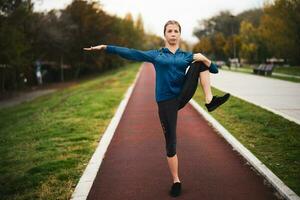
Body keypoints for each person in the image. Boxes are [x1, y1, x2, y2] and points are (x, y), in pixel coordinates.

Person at [83, 20, 230, 198]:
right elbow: (132, 53)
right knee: (171, 142)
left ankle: (210, 100)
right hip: (166, 102)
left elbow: (213, 69)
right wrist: (106, 47)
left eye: (176, 31)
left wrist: (204, 58)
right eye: (170, 31)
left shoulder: (186, 55)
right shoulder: (157, 55)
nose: (173, 33)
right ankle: (176, 180)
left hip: (182, 95)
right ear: (165, 35)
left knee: (200, 62)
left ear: (179, 34)